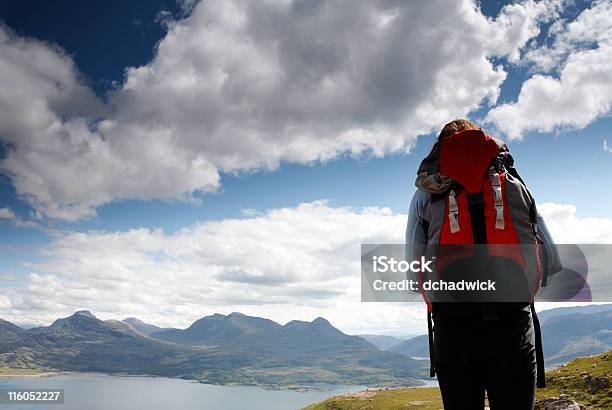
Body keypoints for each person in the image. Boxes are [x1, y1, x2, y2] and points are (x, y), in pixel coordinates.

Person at [405, 119, 562, 410]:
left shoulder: (425, 196)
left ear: (439, 152)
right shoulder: (515, 186)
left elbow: (413, 275)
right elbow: (551, 260)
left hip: (453, 332)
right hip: (512, 326)